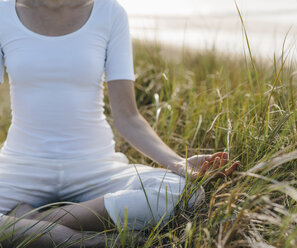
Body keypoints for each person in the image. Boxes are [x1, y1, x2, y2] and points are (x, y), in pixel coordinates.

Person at [0, 0, 240, 246]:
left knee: (185, 194)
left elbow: (128, 118)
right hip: (21, 167)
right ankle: (83, 242)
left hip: (95, 167)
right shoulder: (2, 13)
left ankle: (32, 221)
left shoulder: (109, 13)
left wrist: (177, 163)